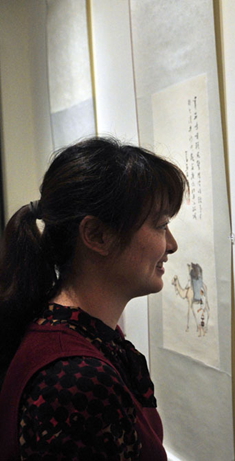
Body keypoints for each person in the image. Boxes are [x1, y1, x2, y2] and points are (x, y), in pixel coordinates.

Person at [0, 137, 188, 460]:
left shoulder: (80, 334)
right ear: (97, 235)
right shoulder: (75, 378)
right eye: (160, 226)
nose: (171, 245)